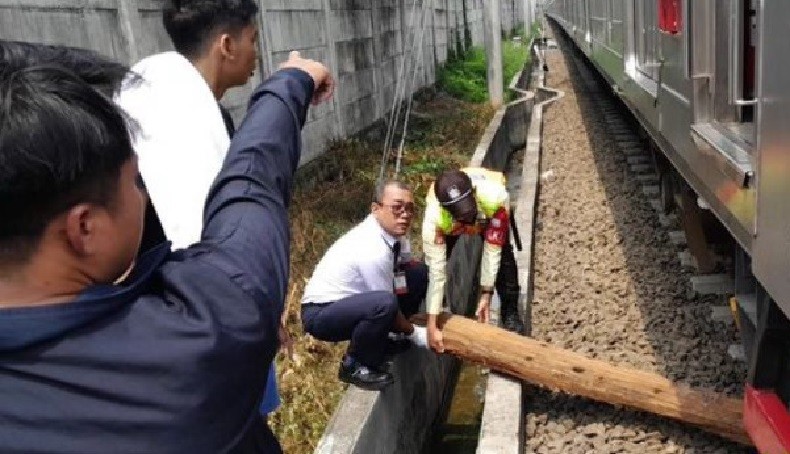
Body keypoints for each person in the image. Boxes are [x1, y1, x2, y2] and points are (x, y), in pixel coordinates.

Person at [0, 40, 333, 453]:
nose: (143, 196)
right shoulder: (192, 343)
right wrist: (291, 82)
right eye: (135, 181)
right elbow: (251, 190)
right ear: (84, 228)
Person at [115, 0, 289, 422]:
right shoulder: (185, 122)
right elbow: (204, 233)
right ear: (227, 45)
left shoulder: (154, 92)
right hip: (207, 317)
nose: (257, 54)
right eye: (253, 40)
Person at [301, 181, 429, 390]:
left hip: (360, 302)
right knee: (384, 304)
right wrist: (415, 333)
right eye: (397, 207)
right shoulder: (372, 248)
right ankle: (354, 365)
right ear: (376, 209)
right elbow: (386, 302)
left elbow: (405, 266)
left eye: (409, 208)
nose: (405, 214)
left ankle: (390, 337)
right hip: (322, 313)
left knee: (418, 273)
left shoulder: (395, 234)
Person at [422, 167, 525, 353]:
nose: (469, 220)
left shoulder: (495, 198)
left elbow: (492, 250)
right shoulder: (434, 221)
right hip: (450, 225)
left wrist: (486, 293)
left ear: (474, 193)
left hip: (488, 213)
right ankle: (439, 307)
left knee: (504, 259)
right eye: (463, 216)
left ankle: (510, 312)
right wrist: (431, 324)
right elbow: (436, 271)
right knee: (436, 264)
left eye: (470, 212)